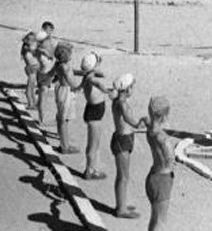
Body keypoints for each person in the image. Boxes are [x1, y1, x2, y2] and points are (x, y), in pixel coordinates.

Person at [141, 96, 174, 231]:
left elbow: (147, 121)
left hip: (152, 175)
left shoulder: (150, 129)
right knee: (160, 220)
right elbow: (170, 160)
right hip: (162, 179)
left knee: (154, 218)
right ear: (164, 116)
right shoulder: (163, 138)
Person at [111, 74, 145, 219]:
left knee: (124, 175)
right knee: (123, 176)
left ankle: (122, 203)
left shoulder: (119, 100)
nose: (133, 89)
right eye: (132, 87)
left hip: (124, 138)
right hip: (122, 140)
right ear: (127, 88)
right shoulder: (122, 103)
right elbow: (127, 118)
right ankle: (121, 209)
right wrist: (139, 124)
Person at [81, 52, 112, 180]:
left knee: (95, 142)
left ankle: (91, 168)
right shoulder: (90, 78)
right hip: (94, 113)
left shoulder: (87, 75)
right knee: (93, 144)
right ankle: (90, 170)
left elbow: (93, 76)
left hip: (93, 111)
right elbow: (96, 83)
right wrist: (106, 90)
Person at [52, 42, 81, 154]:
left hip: (60, 89)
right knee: (64, 119)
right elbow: (70, 80)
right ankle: (65, 146)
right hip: (66, 91)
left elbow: (52, 75)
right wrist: (78, 87)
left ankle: (63, 140)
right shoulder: (65, 67)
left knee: (61, 116)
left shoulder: (57, 64)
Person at [36, 31, 55, 124]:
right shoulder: (42, 50)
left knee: (43, 97)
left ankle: (41, 116)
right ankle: (41, 120)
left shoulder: (41, 48)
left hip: (45, 74)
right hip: (45, 75)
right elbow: (51, 56)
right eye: (47, 40)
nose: (49, 41)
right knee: (42, 98)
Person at [21, 32, 39, 110]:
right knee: (29, 88)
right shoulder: (26, 47)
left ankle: (34, 103)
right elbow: (33, 50)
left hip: (34, 67)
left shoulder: (28, 46)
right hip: (31, 68)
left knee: (32, 87)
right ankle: (31, 104)